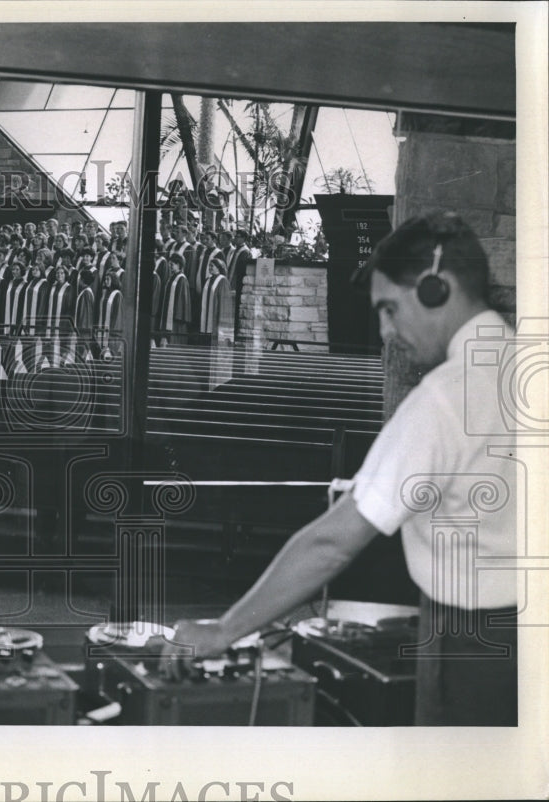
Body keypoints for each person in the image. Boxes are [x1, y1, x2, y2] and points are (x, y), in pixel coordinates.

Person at [162, 212, 518, 726]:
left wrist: (223, 630)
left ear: (436, 288)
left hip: (476, 648)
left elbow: (333, 543)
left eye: (390, 309)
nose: (385, 331)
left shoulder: (445, 399)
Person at [96, 269, 123, 350]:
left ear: (114, 280)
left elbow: (117, 314)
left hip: (111, 331)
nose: (106, 281)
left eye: (108, 279)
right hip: (103, 328)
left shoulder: (117, 294)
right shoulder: (105, 294)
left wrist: (113, 332)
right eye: (105, 279)